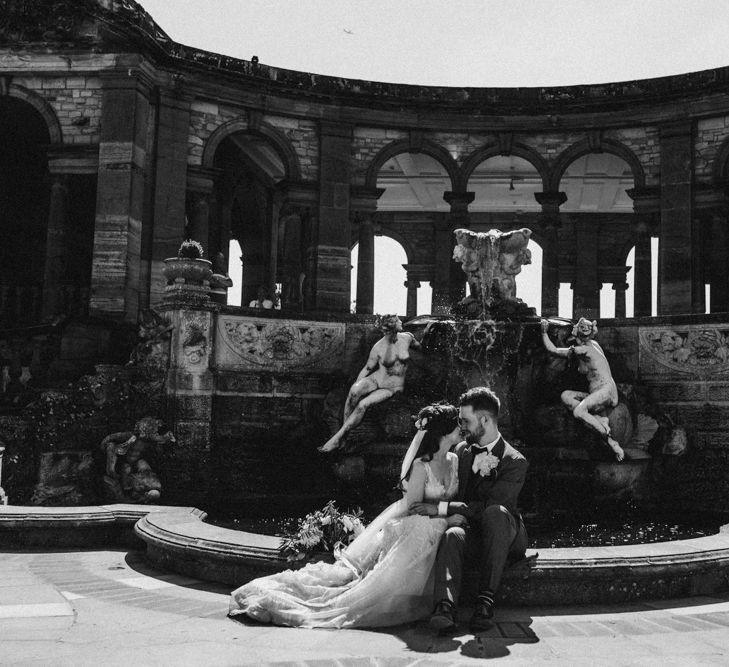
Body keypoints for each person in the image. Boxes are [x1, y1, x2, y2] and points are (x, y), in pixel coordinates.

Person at [229, 403, 465, 628]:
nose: (462, 428)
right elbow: (414, 510)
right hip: (415, 529)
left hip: (432, 524)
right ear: (444, 432)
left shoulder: (454, 460)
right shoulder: (420, 466)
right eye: (457, 424)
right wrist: (446, 519)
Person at [421, 387, 528, 634]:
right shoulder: (461, 452)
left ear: (485, 420)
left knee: (495, 513)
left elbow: (492, 504)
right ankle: (445, 606)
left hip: (505, 535)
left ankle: (486, 601)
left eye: (466, 421)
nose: (462, 426)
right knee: (452, 534)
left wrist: (452, 507)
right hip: (472, 532)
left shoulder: (515, 461)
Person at [318, 314, 422, 453]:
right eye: (397, 320)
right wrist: (355, 383)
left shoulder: (408, 337)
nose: (401, 321)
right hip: (376, 379)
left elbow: (421, 348)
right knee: (354, 392)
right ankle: (345, 435)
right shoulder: (378, 347)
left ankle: (338, 438)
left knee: (363, 405)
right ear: (391, 326)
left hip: (392, 387)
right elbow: (367, 368)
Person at [541, 318, 624, 461]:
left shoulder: (583, 350)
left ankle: (610, 441)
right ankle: (598, 419)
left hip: (605, 391)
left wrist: (543, 332)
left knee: (579, 411)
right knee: (566, 396)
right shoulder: (594, 344)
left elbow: (552, 350)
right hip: (599, 392)